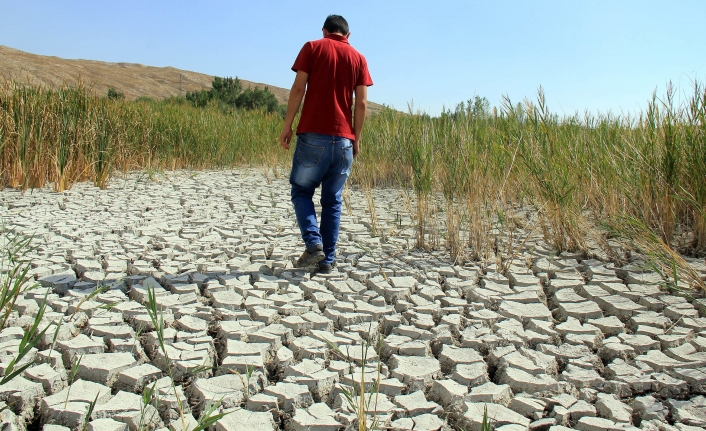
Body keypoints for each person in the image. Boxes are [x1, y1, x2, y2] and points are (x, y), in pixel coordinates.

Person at [279, 14, 373, 274]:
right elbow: (362, 103)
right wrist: (356, 138)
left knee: (301, 191)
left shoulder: (313, 47)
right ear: (348, 35)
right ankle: (327, 262)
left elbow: (299, 88)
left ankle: (313, 245)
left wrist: (288, 125)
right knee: (332, 200)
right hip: (344, 140)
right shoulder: (359, 58)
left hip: (313, 136)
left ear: (324, 31)